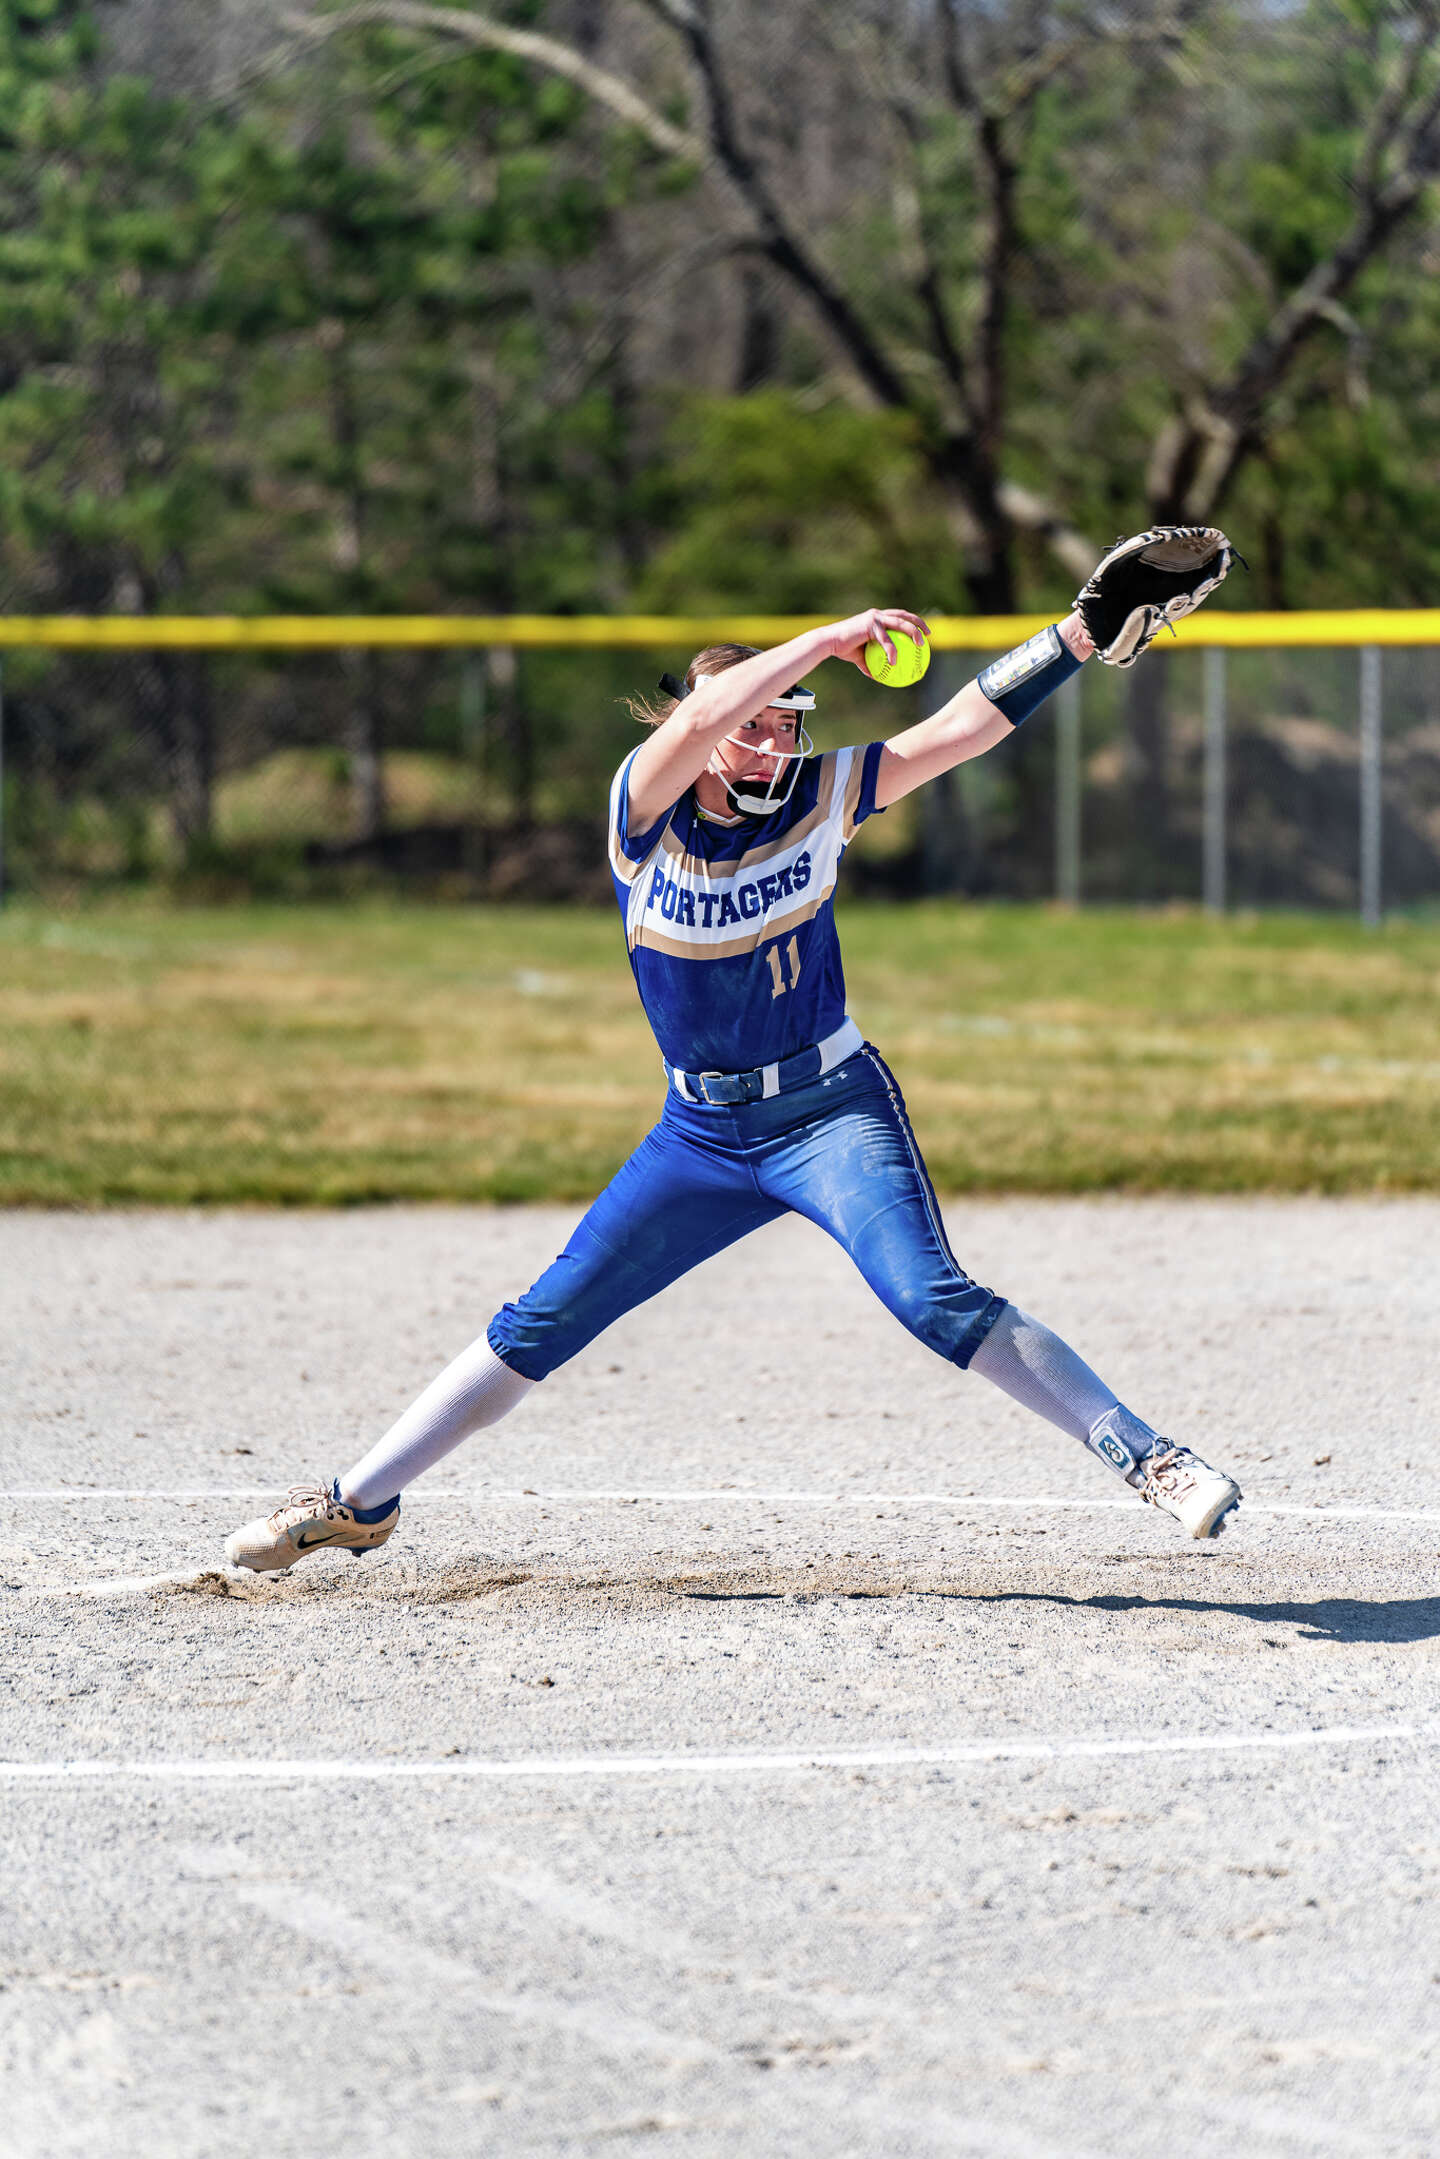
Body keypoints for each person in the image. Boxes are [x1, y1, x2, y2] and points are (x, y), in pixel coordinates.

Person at [225, 578, 1241, 1572]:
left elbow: (960, 728)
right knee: (543, 1318)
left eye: (787, 724)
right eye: (753, 723)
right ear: (701, 731)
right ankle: (356, 1503)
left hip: (831, 1111)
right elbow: (712, 706)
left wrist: (1074, 635)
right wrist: (827, 638)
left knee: (931, 1297)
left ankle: (1151, 1456)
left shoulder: (819, 795)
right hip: (701, 1137)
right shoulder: (644, 816)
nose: (774, 740)